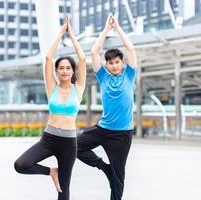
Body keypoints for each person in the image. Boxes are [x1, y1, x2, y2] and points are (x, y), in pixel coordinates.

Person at [14, 15, 86, 200]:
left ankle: (58, 177)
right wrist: (61, 32)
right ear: (57, 71)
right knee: (21, 164)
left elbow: (83, 58)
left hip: (69, 143)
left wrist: (72, 36)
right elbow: (48, 57)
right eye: (61, 68)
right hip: (48, 139)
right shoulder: (51, 87)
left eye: (68, 68)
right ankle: (51, 172)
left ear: (72, 71)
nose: (64, 71)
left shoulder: (78, 89)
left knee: (63, 190)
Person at [77, 14, 137, 200]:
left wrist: (117, 28)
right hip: (103, 129)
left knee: (118, 179)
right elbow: (94, 53)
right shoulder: (103, 77)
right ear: (107, 64)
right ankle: (105, 168)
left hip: (122, 135)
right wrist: (106, 30)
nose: (114, 65)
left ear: (122, 63)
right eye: (110, 63)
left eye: (117, 62)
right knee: (75, 146)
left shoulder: (129, 75)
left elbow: (131, 48)